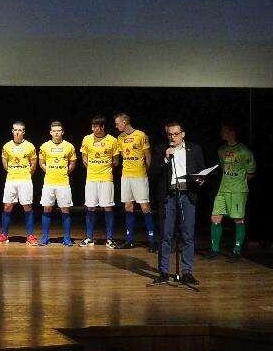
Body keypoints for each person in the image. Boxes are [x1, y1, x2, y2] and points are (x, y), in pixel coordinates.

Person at [153, 119, 207, 284]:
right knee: (166, 234)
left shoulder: (194, 149)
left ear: (183, 134)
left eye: (176, 134)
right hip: (169, 196)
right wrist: (165, 158)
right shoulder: (161, 149)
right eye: (170, 134)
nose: (172, 137)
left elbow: (201, 170)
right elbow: (153, 172)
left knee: (188, 234)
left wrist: (201, 180)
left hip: (187, 194)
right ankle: (163, 272)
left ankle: (187, 272)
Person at [207, 122, 257, 261]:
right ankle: (215, 249)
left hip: (238, 190)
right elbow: (223, 167)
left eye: (224, 131)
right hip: (223, 189)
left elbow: (251, 172)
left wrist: (239, 181)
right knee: (215, 217)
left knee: (238, 219)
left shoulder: (244, 151)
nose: (221, 134)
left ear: (232, 132)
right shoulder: (221, 150)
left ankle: (237, 250)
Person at [114, 112, 156, 251]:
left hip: (139, 176)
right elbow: (121, 156)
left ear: (125, 122)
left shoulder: (141, 135)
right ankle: (129, 240)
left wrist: (144, 171)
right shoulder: (120, 137)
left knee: (145, 207)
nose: (116, 126)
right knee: (128, 206)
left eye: (117, 123)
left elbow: (148, 157)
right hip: (126, 176)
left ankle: (151, 240)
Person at [79, 115, 120, 248]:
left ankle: (110, 239)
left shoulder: (112, 140)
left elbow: (115, 161)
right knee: (90, 207)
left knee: (107, 207)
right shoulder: (87, 139)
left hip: (106, 179)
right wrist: (93, 169)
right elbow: (84, 158)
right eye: (93, 126)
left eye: (98, 126)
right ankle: (89, 237)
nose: (95, 129)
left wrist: (104, 168)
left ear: (103, 127)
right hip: (91, 179)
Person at [0, 121, 38, 245]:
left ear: (23, 131)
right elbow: (5, 163)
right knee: (7, 206)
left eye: (20, 130)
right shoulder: (7, 146)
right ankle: (4, 235)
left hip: (25, 180)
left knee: (27, 206)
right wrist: (13, 172)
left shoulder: (30, 146)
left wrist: (25, 174)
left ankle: (30, 236)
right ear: (12, 131)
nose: (17, 132)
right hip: (11, 180)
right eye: (15, 130)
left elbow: (33, 164)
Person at [37, 121, 77, 246]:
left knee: (65, 209)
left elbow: (72, 163)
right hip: (49, 183)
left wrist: (64, 172)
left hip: (63, 183)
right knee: (47, 208)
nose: (56, 133)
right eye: (54, 131)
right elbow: (41, 162)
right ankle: (45, 237)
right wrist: (49, 171)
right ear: (50, 132)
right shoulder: (44, 146)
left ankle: (67, 238)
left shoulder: (69, 146)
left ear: (62, 132)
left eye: (58, 131)